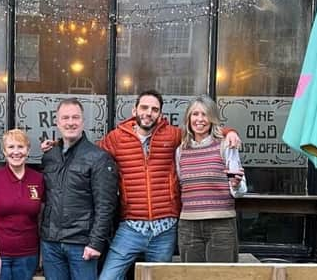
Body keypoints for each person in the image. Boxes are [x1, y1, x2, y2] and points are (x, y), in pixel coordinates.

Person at [93, 90, 241, 280]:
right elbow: (89, 155)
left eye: (154, 109)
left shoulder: (172, 135)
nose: (148, 113)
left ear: (160, 114)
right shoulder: (117, 138)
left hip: (165, 229)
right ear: (134, 110)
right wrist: (59, 144)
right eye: (144, 107)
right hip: (131, 227)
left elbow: (199, 131)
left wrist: (230, 132)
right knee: (108, 277)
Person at [40, 98, 119, 280]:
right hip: (51, 242)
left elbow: (106, 206)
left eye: (75, 117)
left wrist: (96, 243)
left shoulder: (99, 158)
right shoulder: (50, 156)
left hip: (82, 244)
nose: (70, 122)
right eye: (65, 118)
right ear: (57, 122)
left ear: (83, 121)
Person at [175, 95, 247, 262]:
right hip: (189, 225)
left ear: (212, 118)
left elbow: (240, 190)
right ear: (188, 118)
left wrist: (236, 184)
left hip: (221, 224)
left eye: (205, 114)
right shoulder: (180, 151)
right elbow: (181, 184)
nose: (200, 119)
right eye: (195, 114)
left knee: (221, 275)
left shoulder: (225, 145)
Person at [0, 129, 44, 280]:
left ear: (28, 150)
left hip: (27, 256)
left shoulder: (38, 179)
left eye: (20, 147)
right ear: (4, 151)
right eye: (11, 147)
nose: (16, 152)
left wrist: (41, 252)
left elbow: (41, 219)